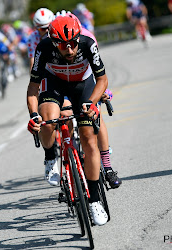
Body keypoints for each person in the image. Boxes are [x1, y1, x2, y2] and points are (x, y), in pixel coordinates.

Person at [27, 14, 110, 226]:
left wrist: (91, 103)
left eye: (73, 44)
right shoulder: (44, 48)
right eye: (64, 46)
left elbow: (102, 79)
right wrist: (33, 115)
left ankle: (94, 199)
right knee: (49, 121)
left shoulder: (87, 43)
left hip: (83, 85)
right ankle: (50, 156)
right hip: (54, 83)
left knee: (88, 138)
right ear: (54, 42)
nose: (70, 50)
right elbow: (33, 87)